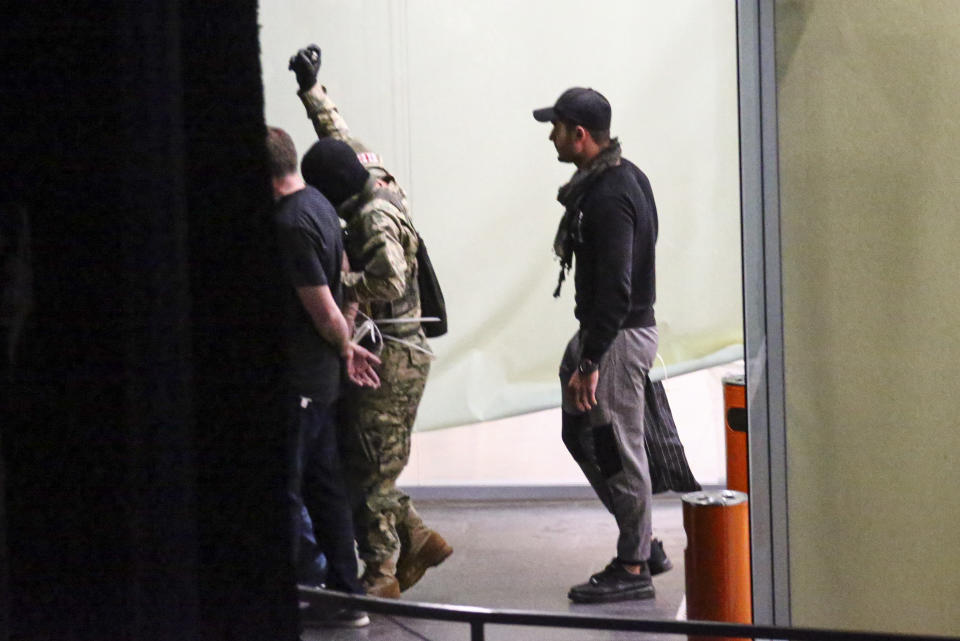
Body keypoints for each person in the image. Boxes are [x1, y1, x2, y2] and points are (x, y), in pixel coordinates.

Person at [287, 45, 452, 600]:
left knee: (372, 473)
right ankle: (417, 537)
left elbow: (389, 279)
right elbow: (342, 141)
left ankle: (381, 577)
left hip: (396, 353)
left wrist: (340, 284)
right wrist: (313, 90)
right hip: (391, 348)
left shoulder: (374, 215)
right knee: (362, 461)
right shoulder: (371, 176)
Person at [533, 87, 669, 603]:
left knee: (618, 448)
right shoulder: (616, 179)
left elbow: (617, 287)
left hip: (615, 336)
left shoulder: (612, 194)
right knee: (581, 434)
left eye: (557, 127)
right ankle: (643, 538)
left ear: (580, 135)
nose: (552, 135)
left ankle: (634, 566)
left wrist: (591, 360)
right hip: (602, 332)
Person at [266, 126, 380, 627]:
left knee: (289, 491)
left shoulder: (289, 223)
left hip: (299, 383)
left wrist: (343, 341)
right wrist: (345, 337)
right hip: (321, 381)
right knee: (325, 489)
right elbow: (348, 277)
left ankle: (302, 594)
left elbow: (321, 304)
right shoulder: (318, 204)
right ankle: (348, 596)